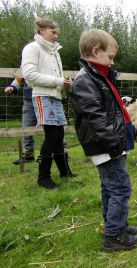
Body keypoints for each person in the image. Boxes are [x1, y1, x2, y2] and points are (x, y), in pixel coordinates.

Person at [70, 29, 137, 252]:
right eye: (110, 57)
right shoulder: (86, 81)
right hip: (106, 145)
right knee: (120, 188)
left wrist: (132, 131)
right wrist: (114, 145)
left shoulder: (99, 77)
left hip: (109, 142)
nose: (112, 62)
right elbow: (97, 119)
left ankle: (117, 226)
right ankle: (113, 237)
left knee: (110, 188)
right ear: (96, 51)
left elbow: (118, 111)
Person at [21, 18, 76, 190]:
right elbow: (29, 75)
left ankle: (64, 171)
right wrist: (58, 81)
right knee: (52, 136)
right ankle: (43, 177)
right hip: (42, 96)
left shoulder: (55, 53)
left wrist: (63, 84)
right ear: (41, 31)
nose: (56, 36)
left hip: (56, 96)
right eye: (53, 32)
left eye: (56, 32)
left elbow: (56, 78)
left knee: (59, 135)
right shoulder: (32, 48)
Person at [4, 77, 36, 164]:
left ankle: (60, 153)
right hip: (28, 101)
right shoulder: (24, 63)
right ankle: (29, 156)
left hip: (46, 98)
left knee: (52, 125)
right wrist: (12, 87)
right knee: (25, 128)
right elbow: (18, 79)